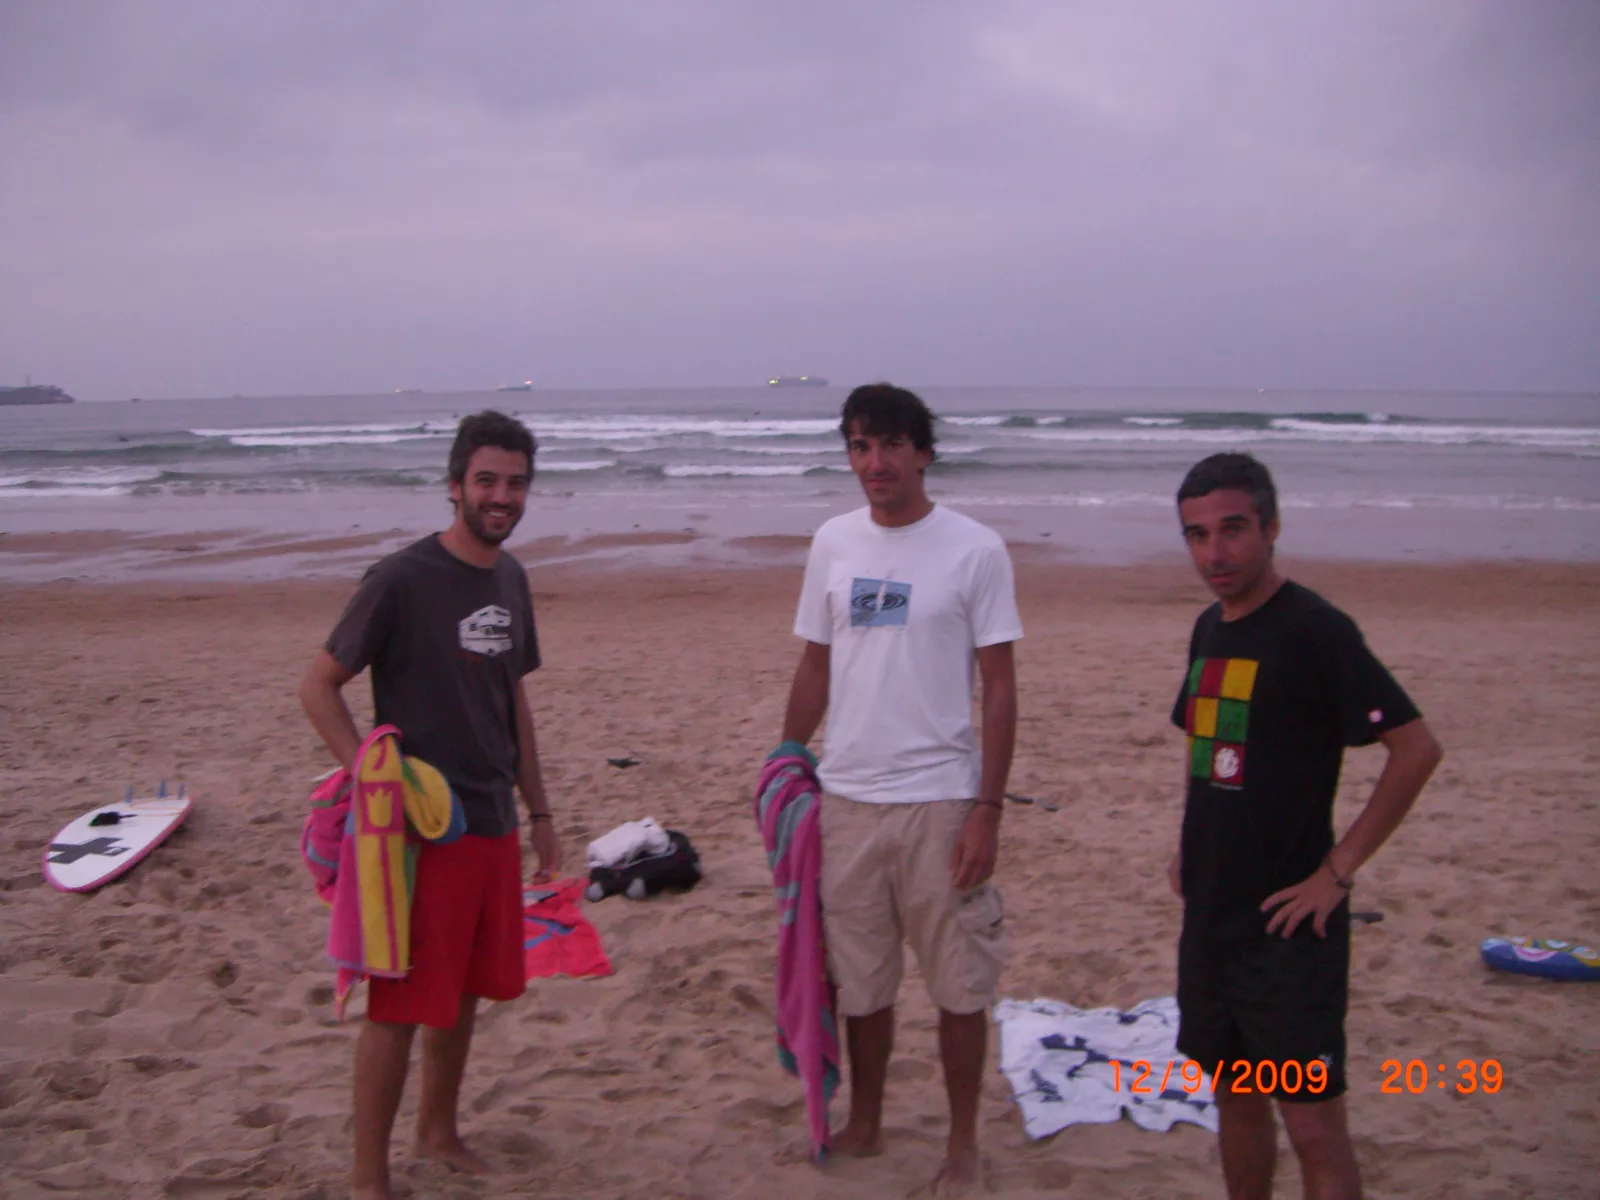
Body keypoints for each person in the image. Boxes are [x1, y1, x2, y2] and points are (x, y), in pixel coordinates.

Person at [299, 410, 559, 1200]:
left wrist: (540, 812)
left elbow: (513, 699)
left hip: (493, 821)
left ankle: (439, 1132)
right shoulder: (401, 580)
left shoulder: (510, 579)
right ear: (454, 486)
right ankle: (368, 1178)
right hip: (421, 833)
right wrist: (372, 779)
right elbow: (318, 686)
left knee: (466, 989)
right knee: (400, 1002)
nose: (501, 496)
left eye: (516, 483)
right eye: (486, 480)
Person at [1168, 453, 1442, 1200]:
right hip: (1212, 915)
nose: (1215, 553)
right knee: (1235, 1098)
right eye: (1197, 535)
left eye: (1232, 529)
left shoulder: (1316, 629)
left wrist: (1337, 871)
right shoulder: (1208, 629)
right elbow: (1211, 746)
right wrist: (1189, 843)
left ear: (1271, 528)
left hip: (1288, 927)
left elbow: (1416, 749)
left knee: (1314, 1127)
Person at [780, 383, 1022, 1195]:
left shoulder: (975, 550)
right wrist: (785, 763)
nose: (874, 462)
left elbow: (1000, 687)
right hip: (847, 801)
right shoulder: (833, 543)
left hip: (940, 801)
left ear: (923, 453)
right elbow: (815, 665)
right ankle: (868, 1120)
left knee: (959, 984)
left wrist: (987, 809)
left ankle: (963, 1141)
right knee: (862, 982)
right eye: (859, 446)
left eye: (889, 444)